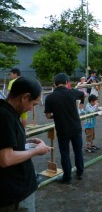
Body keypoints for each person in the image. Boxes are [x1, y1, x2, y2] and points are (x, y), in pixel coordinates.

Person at [0, 77, 50, 211]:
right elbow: (5, 158)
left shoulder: (7, 111)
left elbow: (4, 144)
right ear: (25, 97)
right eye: (33, 104)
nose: (30, 109)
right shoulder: (5, 116)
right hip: (15, 194)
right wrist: (36, 150)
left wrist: (26, 142)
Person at [45, 73, 85, 184]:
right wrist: (80, 102)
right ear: (67, 83)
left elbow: (48, 116)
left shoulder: (50, 97)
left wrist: (56, 115)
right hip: (76, 127)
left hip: (62, 129)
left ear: (55, 84)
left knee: (65, 153)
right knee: (78, 151)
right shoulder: (72, 92)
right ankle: (80, 172)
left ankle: (67, 177)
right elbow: (83, 94)